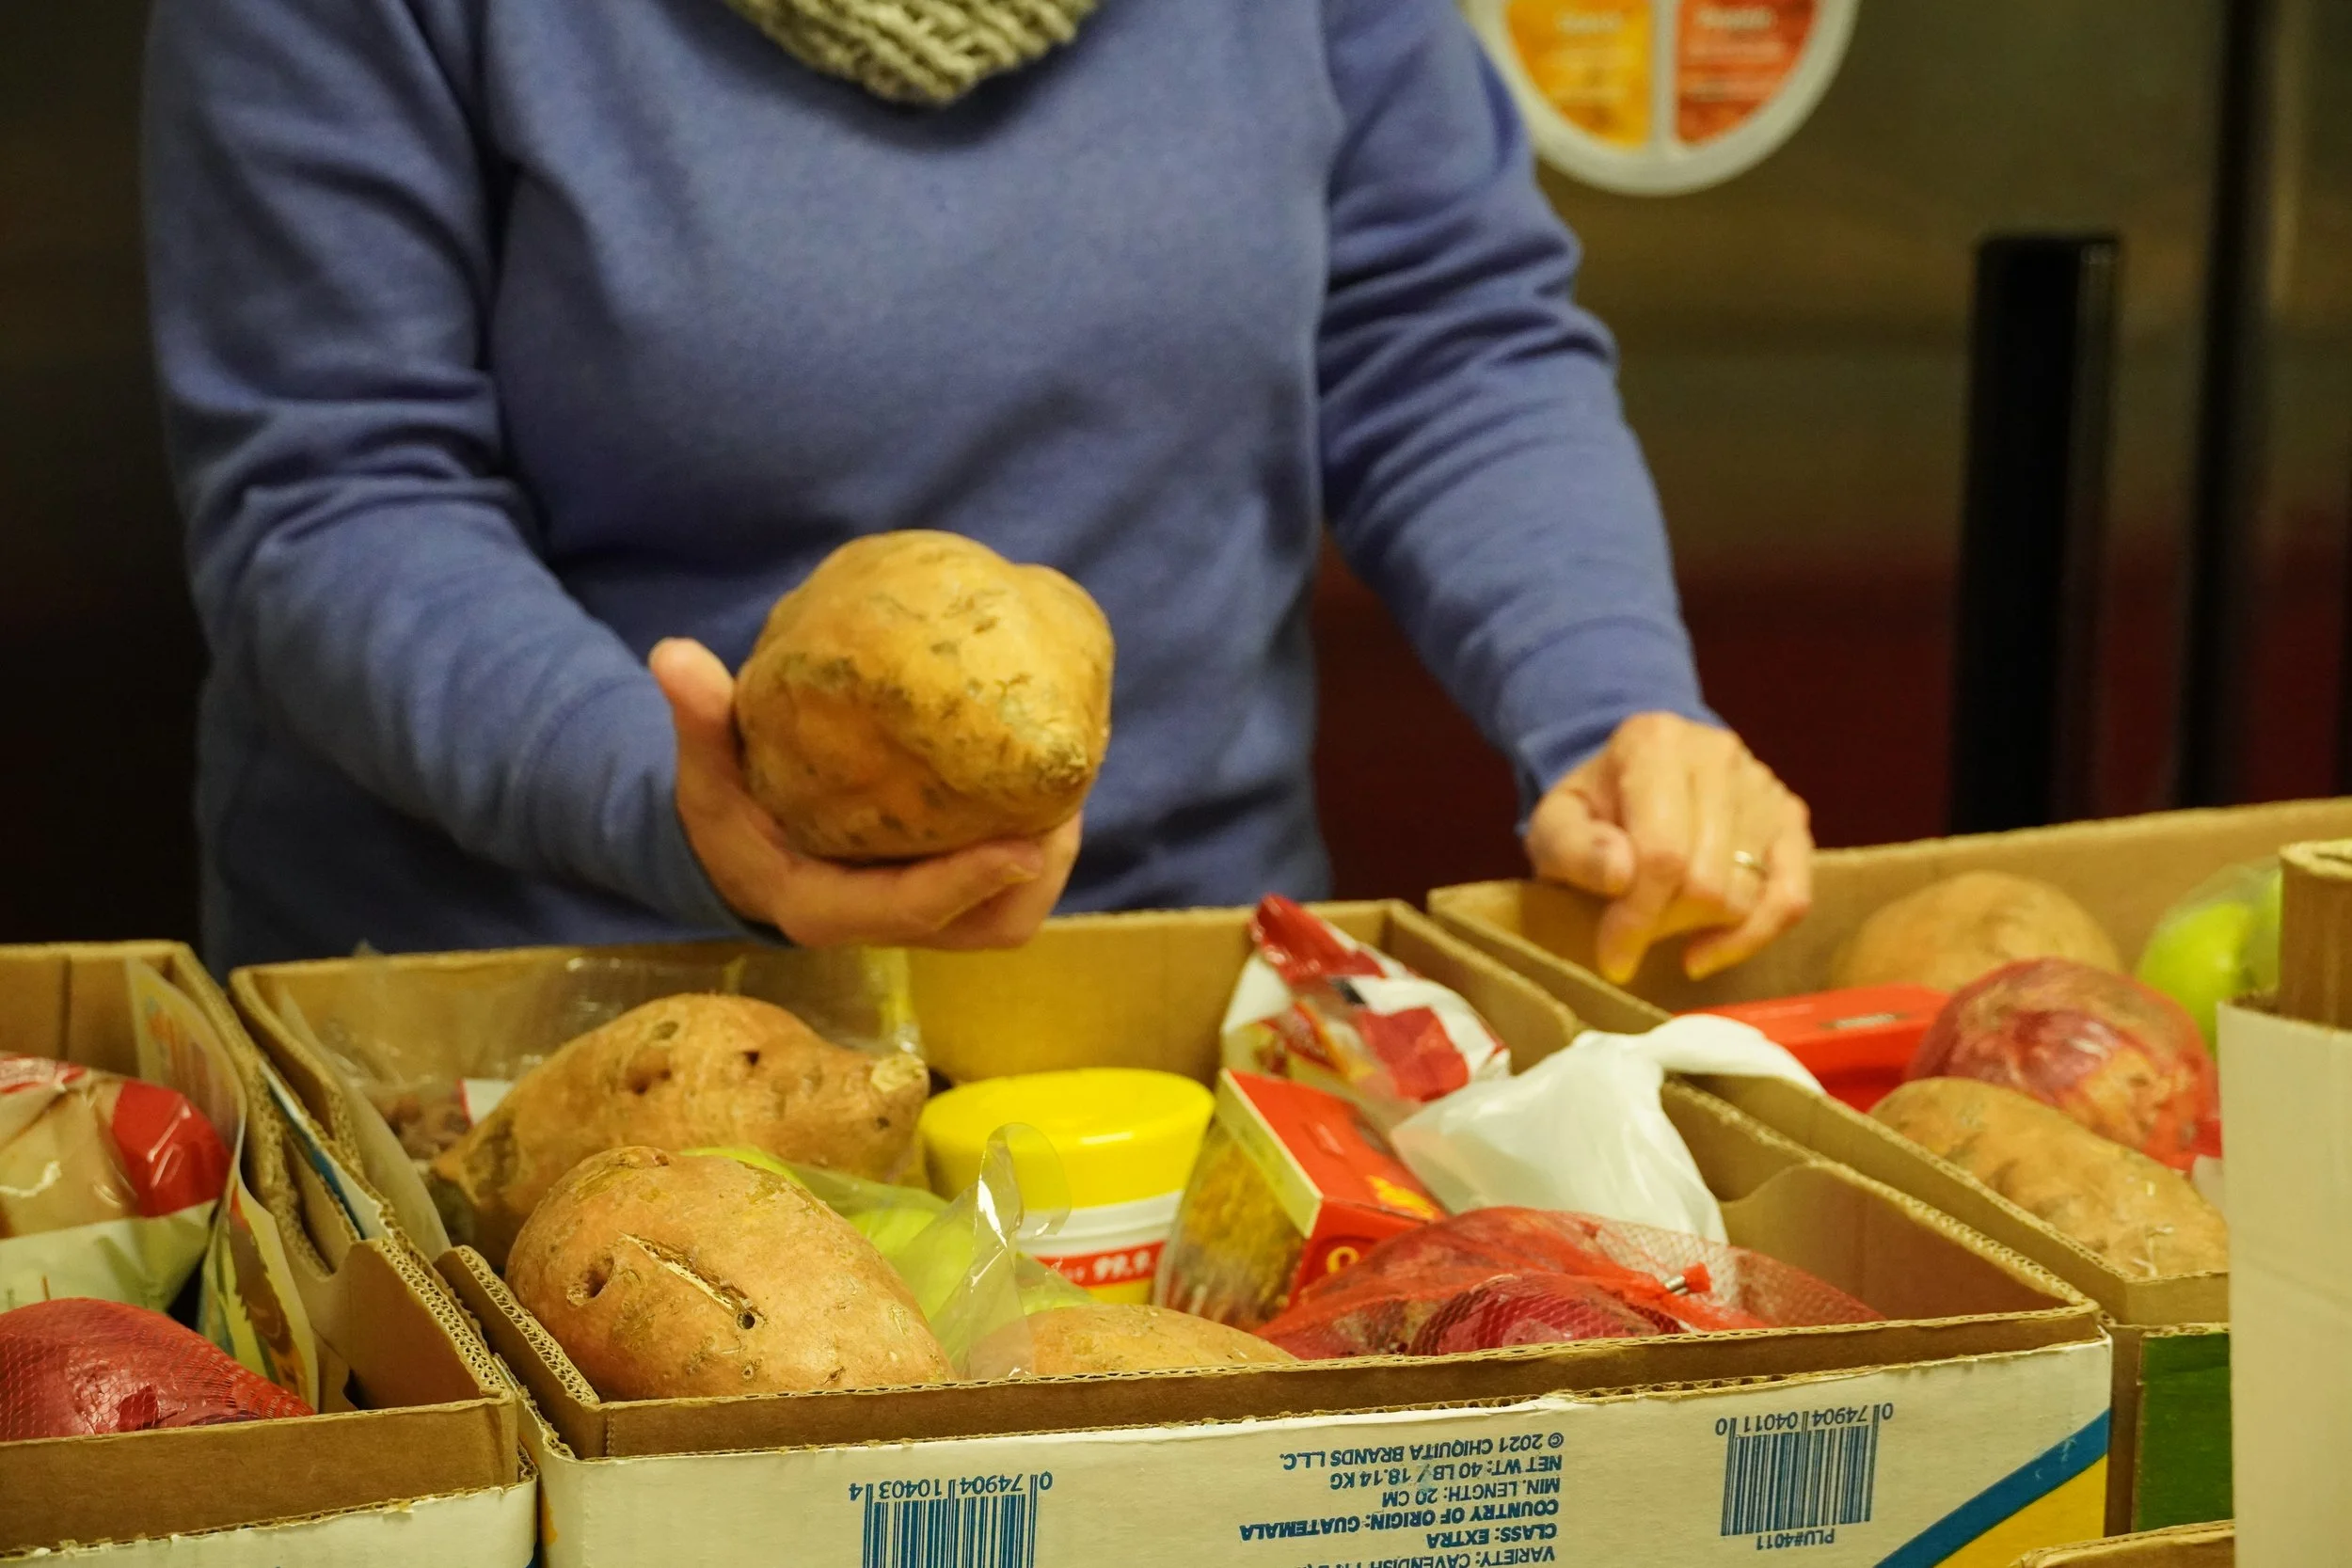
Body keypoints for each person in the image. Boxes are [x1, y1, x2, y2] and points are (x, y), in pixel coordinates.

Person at [143, 0, 1812, 983]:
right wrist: (683, 809)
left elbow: (1439, 339)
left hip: (1158, 984)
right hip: (540, 993)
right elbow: (338, 492)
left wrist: (1608, 700)